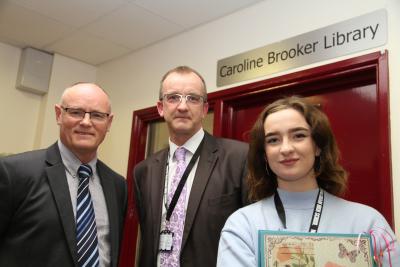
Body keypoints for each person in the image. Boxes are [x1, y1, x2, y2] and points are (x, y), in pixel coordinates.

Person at [217, 96, 399, 266]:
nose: (286, 148)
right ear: (264, 154)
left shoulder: (368, 223)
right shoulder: (242, 225)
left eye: (299, 136)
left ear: (318, 146)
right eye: (273, 140)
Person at [0, 83, 127, 267]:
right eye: (76, 112)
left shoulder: (117, 185)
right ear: (59, 114)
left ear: (109, 122)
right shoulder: (13, 172)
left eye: (97, 115)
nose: (85, 122)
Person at [134, 66, 249, 266]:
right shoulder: (144, 171)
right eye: (173, 97)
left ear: (205, 109)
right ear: (161, 108)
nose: (182, 106)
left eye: (193, 98)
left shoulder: (239, 158)